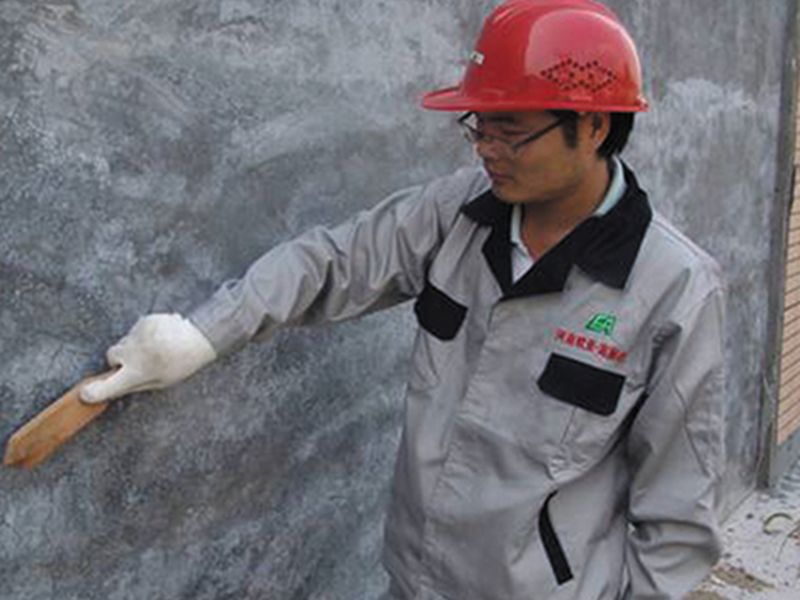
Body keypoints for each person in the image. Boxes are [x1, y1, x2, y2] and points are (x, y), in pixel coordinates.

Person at [80, 1, 727, 598]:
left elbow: (677, 523)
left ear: (592, 126)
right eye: (478, 127)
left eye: (510, 132)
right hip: (416, 580)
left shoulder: (672, 289)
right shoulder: (460, 214)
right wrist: (200, 335)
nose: (487, 150)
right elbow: (332, 261)